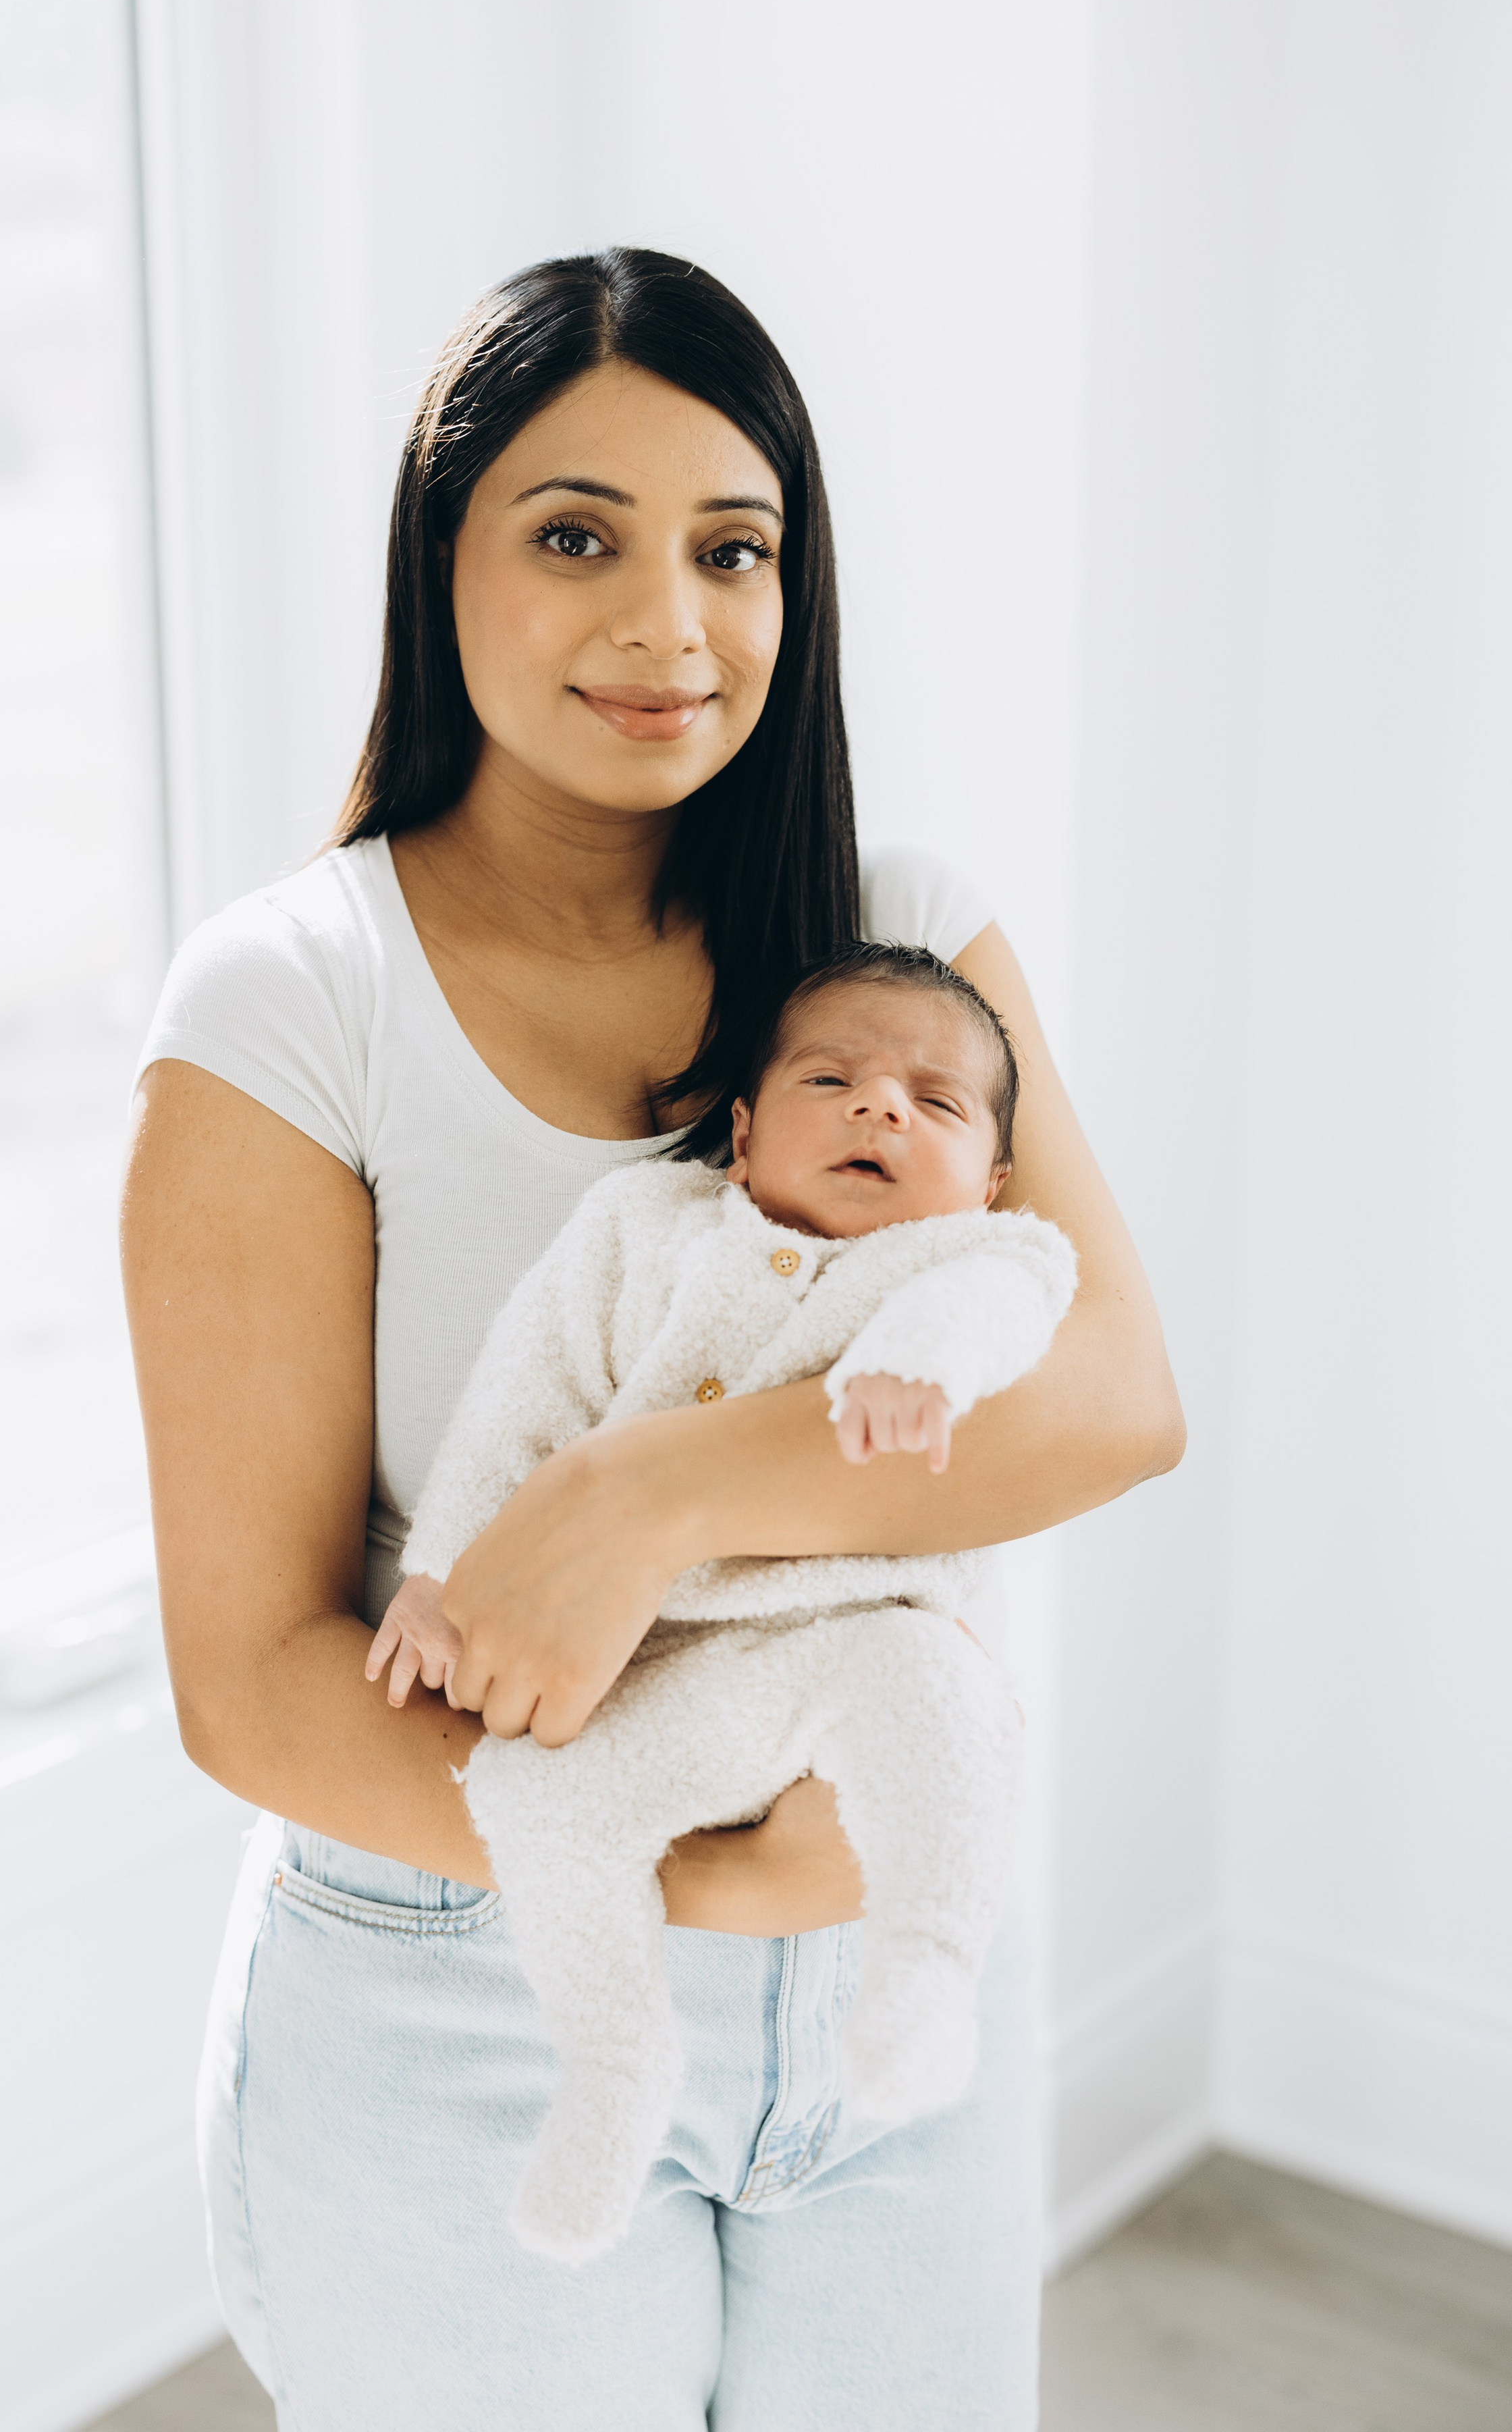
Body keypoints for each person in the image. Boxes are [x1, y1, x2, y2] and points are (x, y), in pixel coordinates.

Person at [121, 246, 1183, 2430]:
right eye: (578, 535)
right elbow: (253, 1687)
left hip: (895, 1975)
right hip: (472, 1988)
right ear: (445, 564)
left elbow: (1107, 1397)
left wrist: (650, 1485)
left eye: (736, 548)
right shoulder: (290, 1008)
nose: (668, 625)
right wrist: (699, 1870)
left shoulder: (898, 930)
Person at [367, 943, 1077, 2267]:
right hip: (668, 1670)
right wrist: (438, 1577)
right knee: (534, 1800)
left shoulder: (970, 1260)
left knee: (943, 1698)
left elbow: (1003, 1303)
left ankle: (926, 1967)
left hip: (856, 1634)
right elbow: (524, 1404)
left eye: (934, 1103)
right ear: (741, 1133)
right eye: (832, 1078)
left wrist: (917, 1363)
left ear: (985, 1178)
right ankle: (613, 2060)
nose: (880, 1108)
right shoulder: (638, 1232)